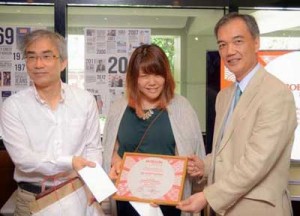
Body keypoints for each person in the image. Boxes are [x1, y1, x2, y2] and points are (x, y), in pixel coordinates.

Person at [177, 12, 297, 216]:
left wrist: (208, 196)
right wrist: (205, 166)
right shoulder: (224, 96)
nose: (229, 51)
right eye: (222, 44)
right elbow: (228, 151)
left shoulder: (276, 94)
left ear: (256, 43)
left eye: (238, 41)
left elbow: (256, 162)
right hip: (225, 208)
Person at [0, 29, 103, 216]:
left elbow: (93, 148)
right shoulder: (13, 106)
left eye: (47, 56)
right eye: (31, 57)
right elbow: (24, 160)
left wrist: (93, 185)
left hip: (78, 194)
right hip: (32, 199)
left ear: (63, 62)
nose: (38, 64)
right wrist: (70, 162)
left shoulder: (85, 100)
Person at [102, 44, 206, 216]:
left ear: (166, 75)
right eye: (144, 76)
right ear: (134, 78)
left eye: (158, 74)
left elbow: (196, 156)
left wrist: (195, 168)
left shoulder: (182, 108)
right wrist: (117, 162)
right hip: (129, 201)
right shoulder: (118, 108)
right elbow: (109, 151)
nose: (152, 82)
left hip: (170, 202)